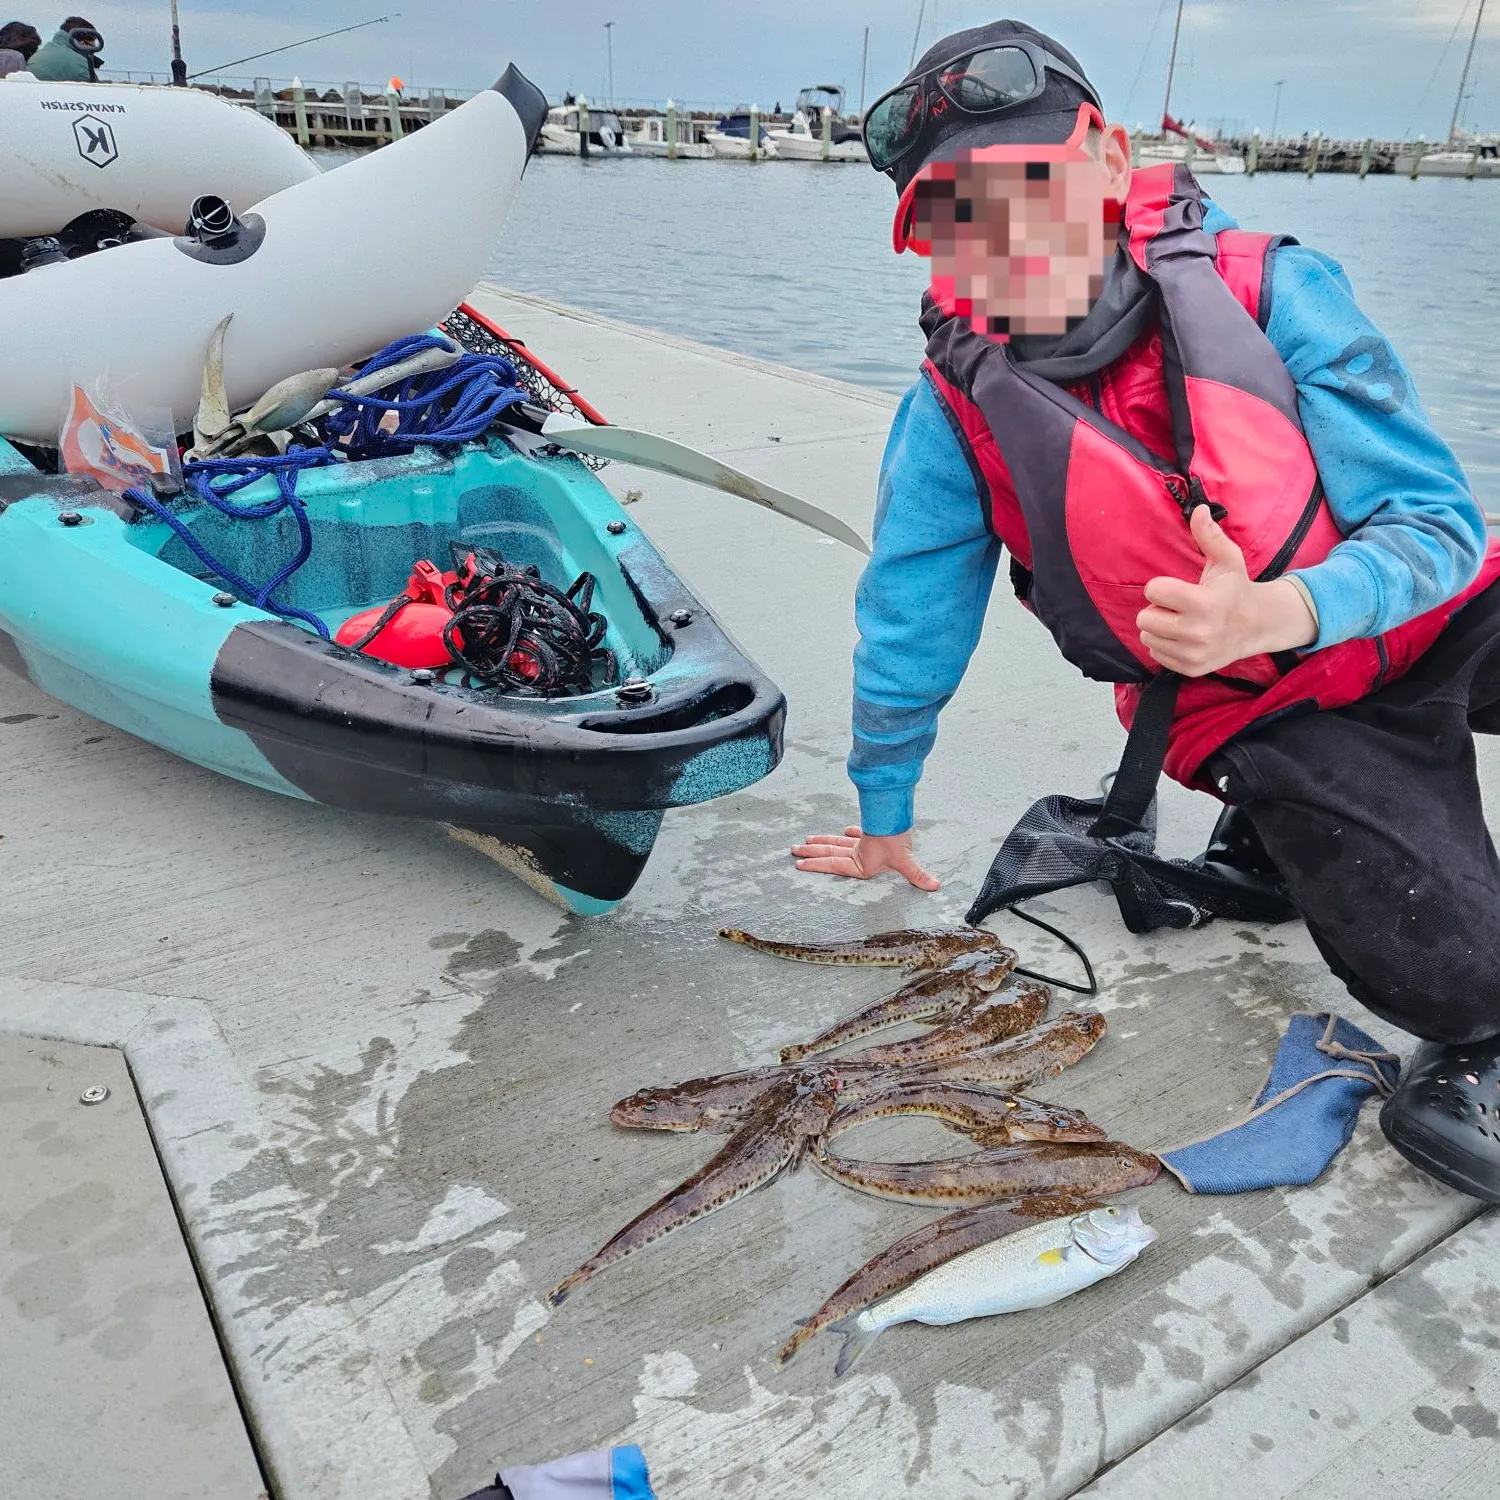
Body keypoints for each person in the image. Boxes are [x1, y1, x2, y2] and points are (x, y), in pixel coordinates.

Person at [792, 19, 1500, 1202]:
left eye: (1028, 189)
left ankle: (1287, 831)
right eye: (948, 219)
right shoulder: (951, 412)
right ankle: (1303, 852)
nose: (998, 242)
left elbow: (1439, 526)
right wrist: (884, 807)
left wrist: (1280, 607)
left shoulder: (1277, 287)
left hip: (1419, 618)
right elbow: (909, 612)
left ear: (1110, 162)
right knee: (1463, 980)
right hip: (1265, 706)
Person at [27, 15, 102, 80]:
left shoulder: (39, 54)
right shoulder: (80, 64)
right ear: (83, 43)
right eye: (92, 46)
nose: (91, 52)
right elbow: (96, 89)